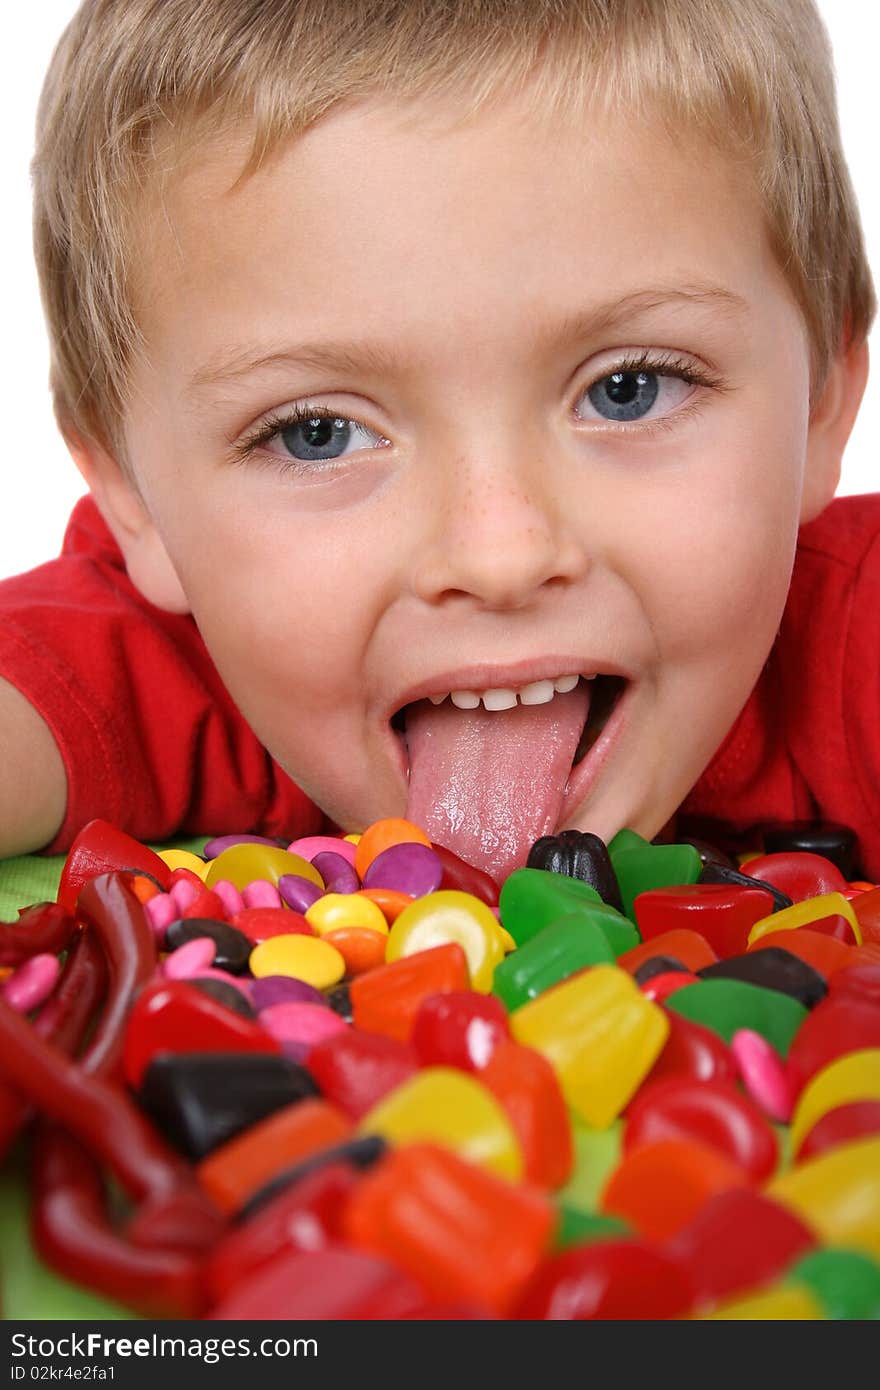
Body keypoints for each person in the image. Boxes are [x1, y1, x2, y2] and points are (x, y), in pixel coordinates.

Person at [0, 0, 875, 883]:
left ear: (823, 398)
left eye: (627, 391)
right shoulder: (173, 666)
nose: (501, 557)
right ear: (135, 500)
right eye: (319, 434)